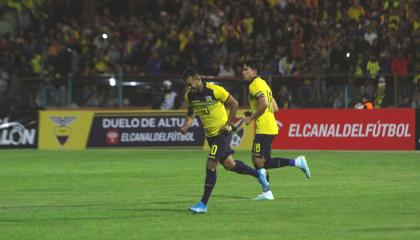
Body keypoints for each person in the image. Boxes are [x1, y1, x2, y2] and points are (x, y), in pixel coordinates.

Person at [179, 67, 270, 213]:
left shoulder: (215, 90)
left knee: (211, 165)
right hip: (210, 136)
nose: (188, 87)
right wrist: (185, 126)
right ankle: (258, 174)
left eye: (190, 84)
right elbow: (191, 113)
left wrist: (228, 123)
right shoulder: (190, 96)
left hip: (222, 134)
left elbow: (234, 103)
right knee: (230, 165)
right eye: (186, 85)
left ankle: (203, 204)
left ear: (198, 79)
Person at [242, 59, 311, 200]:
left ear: (254, 71)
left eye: (246, 69)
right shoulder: (264, 84)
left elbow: (264, 104)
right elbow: (275, 107)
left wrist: (252, 117)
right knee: (260, 161)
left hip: (264, 128)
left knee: (259, 161)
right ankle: (267, 191)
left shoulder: (254, 85)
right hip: (270, 126)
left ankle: (296, 163)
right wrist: (255, 111)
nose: (243, 72)